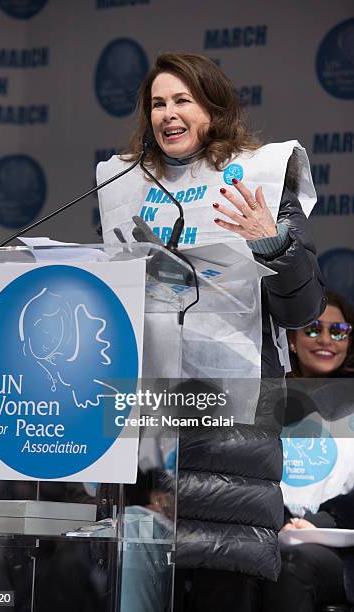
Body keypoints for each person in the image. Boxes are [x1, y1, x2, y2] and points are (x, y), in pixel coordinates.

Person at [97, 52, 325, 612]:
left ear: (212, 107)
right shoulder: (124, 184)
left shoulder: (263, 180)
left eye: (182, 100)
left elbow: (304, 310)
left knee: (221, 585)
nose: (167, 114)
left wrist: (273, 244)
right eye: (157, 103)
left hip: (232, 436)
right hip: (149, 425)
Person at [261, 291, 354, 612]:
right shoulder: (266, 401)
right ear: (291, 341)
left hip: (341, 550)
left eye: (339, 331)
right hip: (270, 534)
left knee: (290, 567)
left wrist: (323, 520)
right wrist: (284, 521)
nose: (326, 340)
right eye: (313, 330)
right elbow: (247, 474)